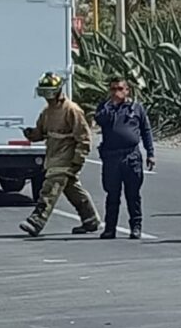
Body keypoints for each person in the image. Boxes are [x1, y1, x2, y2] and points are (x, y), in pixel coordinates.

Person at [19, 72, 100, 237]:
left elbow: (84, 138)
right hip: (53, 156)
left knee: (50, 190)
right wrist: (31, 134)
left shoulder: (72, 110)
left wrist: (78, 160)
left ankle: (36, 221)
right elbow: (41, 132)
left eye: (49, 92)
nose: (46, 97)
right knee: (72, 190)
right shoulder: (47, 112)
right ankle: (90, 220)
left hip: (66, 158)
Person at [94, 76, 155, 239]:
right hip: (112, 157)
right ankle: (110, 228)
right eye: (113, 89)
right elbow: (99, 120)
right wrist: (110, 106)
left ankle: (136, 227)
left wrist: (150, 153)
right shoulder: (105, 107)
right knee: (112, 195)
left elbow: (146, 131)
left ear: (127, 90)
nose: (116, 92)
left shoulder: (136, 108)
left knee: (133, 194)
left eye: (120, 89)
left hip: (131, 156)